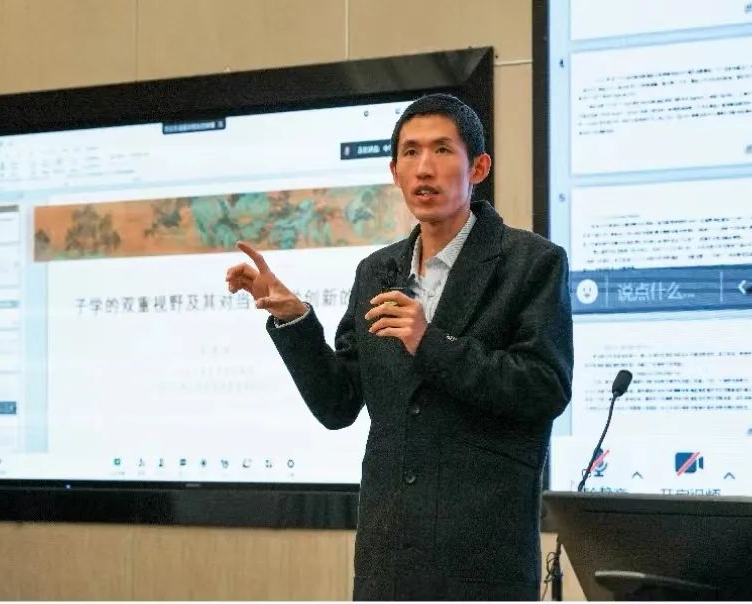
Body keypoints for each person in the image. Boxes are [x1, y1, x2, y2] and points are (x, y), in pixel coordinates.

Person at [225, 93, 573, 601]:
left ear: (478, 167)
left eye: (441, 150)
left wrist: (430, 342)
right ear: (394, 172)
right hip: (387, 564)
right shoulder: (377, 271)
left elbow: (544, 387)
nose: (424, 168)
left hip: (481, 562)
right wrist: (293, 319)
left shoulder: (531, 263)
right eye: (410, 153)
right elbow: (339, 404)